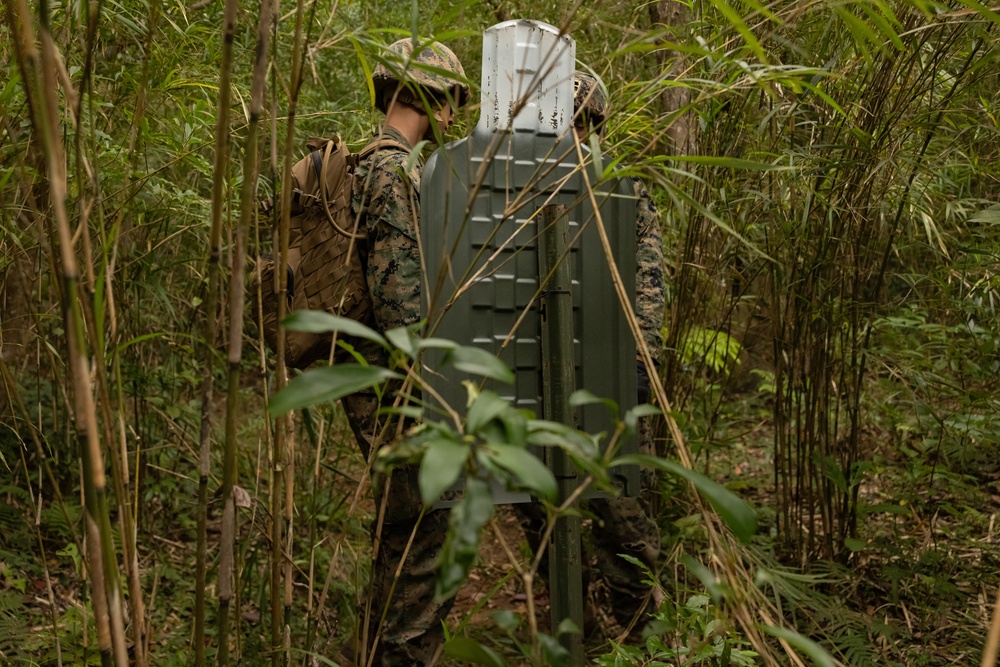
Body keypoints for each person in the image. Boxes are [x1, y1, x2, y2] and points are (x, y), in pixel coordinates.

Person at [515, 69, 666, 639]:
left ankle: (639, 641)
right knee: (544, 522)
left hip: (607, 389)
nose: (569, 139)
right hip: (534, 389)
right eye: (561, 126)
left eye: (579, 128)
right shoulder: (516, 193)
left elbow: (646, 290)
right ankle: (582, 636)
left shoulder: (622, 191)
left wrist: (632, 382)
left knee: (625, 529)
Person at [337, 36, 469, 666]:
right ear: (422, 93)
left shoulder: (368, 162)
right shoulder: (392, 171)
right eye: (447, 99)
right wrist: (430, 391)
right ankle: (403, 655)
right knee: (426, 527)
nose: (451, 115)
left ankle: (375, 649)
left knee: (402, 526)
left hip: (365, 377)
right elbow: (400, 304)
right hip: (393, 386)